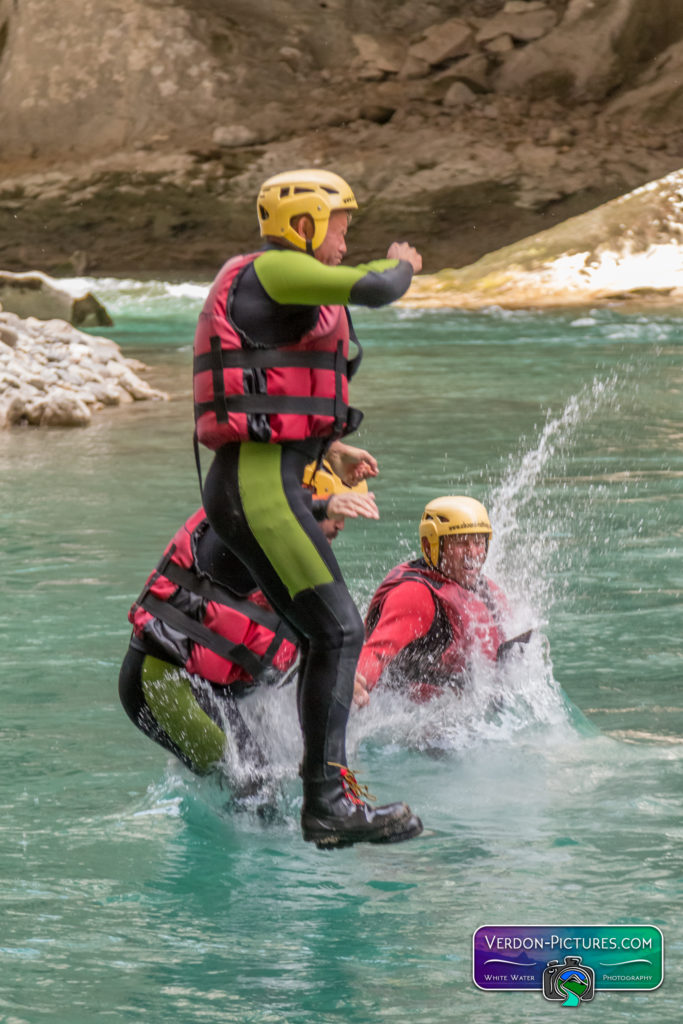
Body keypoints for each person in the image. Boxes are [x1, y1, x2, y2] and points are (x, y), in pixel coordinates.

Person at [191, 168, 423, 848]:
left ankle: (299, 783)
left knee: (323, 633)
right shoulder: (272, 272)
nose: (347, 240)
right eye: (341, 227)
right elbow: (379, 287)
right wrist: (402, 262)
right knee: (339, 633)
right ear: (302, 226)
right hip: (255, 490)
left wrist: (333, 455)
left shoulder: (287, 288)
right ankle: (325, 804)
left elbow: (283, 412)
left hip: (270, 481)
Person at [119, 457, 378, 784]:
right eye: (337, 515)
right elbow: (260, 515)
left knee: (266, 787)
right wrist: (322, 507)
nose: (341, 525)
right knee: (256, 791)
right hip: (163, 680)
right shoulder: (236, 537)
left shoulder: (287, 563)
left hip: (213, 691)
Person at [355, 496, 523, 704]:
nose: (473, 553)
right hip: (411, 721)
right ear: (430, 544)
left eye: (479, 542)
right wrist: (356, 683)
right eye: (461, 543)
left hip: (461, 712)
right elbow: (376, 653)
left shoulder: (487, 591)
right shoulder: (415, 595)